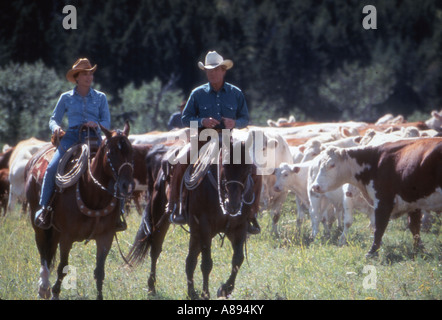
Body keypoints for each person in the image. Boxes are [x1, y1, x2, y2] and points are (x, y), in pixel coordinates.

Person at [168, 50, 260, 234]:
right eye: (209, 70)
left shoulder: (236, 93)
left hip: (228, 140)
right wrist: (202, 121)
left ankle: (251, 213)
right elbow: (185, 119)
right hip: (202, 139)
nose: (212, 73)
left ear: (223, 70)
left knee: (255, 168)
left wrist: (235, 123)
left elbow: (245, 118)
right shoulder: (197, 93)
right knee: (181, 160)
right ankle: (176, 205)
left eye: (216, 69)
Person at [33, 58, 123, 230]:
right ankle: (44, 208)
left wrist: (96, 124)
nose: (89, 77)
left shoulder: (100, 97)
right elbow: (53, 119)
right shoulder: (65, 98)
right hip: (72, 136)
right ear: (77, 77)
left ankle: (119, 213)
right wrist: (57, 128)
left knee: (117, 166)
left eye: (90, 73)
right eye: (85, 74)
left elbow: (106, 120)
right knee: (52, 168)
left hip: (95, 136)